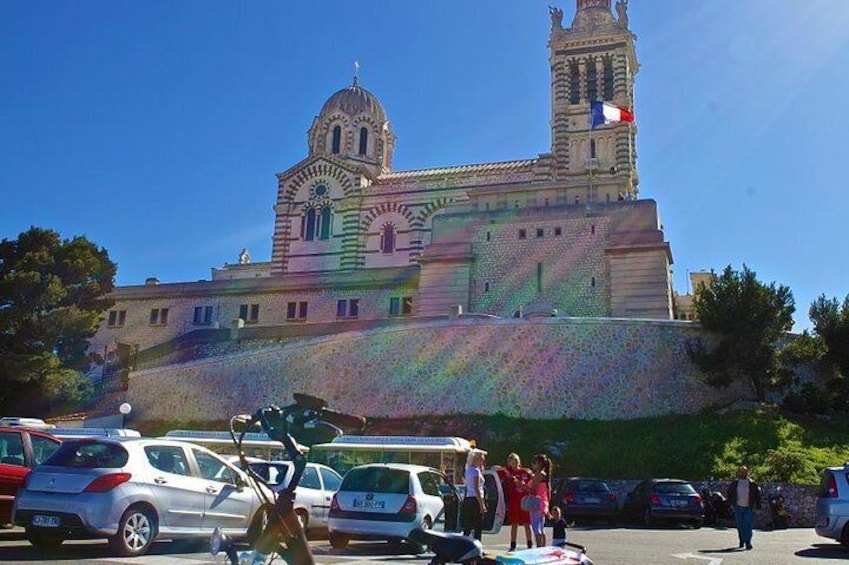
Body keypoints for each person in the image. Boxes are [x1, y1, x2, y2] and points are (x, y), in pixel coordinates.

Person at [493, 453, 534, 551]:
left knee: (527, 524)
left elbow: (532, 485)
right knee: (514, 524)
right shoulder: (507, 472)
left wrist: (524, 485)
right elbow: (494, 469)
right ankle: (513, 544)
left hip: (525, 502)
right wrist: (501, 468)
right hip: (514, 502)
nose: (514, 464)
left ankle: (530, 544)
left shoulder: (525, 471)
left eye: (515, 461)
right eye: (511, 462)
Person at [726, 465, 762, 550]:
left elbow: (757, 495)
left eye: (744, 471)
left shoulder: (752, 483)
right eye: (741, 471)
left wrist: (758, 505)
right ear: (739, 473)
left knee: (747, 524)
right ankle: (741, 540)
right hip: (738, 507)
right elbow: (729, 493)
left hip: (748, 507)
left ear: (747, 472)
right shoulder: (735, 483)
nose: (743, 473)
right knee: (740, 525)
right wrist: (730, 503)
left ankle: (748, 542)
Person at [462, 448, 487, 540]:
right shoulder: (475, 471)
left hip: (468, 498)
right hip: (476, 499)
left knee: (468, 525)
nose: (483, 459)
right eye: (482, 458)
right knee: (478, 525)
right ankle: (478, 545)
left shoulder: (468, 470)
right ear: (477, 458)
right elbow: (477, 488)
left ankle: (463, 544)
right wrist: (482, 504)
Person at [527, 453, 552, 548]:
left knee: (536, 527)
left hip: (536, 502)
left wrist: (523, 485)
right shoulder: (544, 474)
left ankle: (539, 547)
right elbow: (547, 491)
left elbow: (533, 490)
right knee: (541, 527)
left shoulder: (538, 475)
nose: (532, 464)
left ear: (539, 464)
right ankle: (543, 547)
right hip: (543, 502)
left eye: (534, 462)